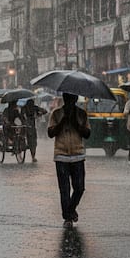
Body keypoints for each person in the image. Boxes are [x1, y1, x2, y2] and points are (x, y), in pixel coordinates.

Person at [48, 93, 90, 227]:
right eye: (66, 99)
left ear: (75, 99)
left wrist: (76, 123)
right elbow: (50, 133)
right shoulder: (56, 113)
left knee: (80, 188)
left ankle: (70, 210)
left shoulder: (82, 114)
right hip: (61, 155)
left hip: (78, 155)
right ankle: (67, 218)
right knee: (64, 189)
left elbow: (87, 134)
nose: (69, 102)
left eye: (71, 99)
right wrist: (63, 121)